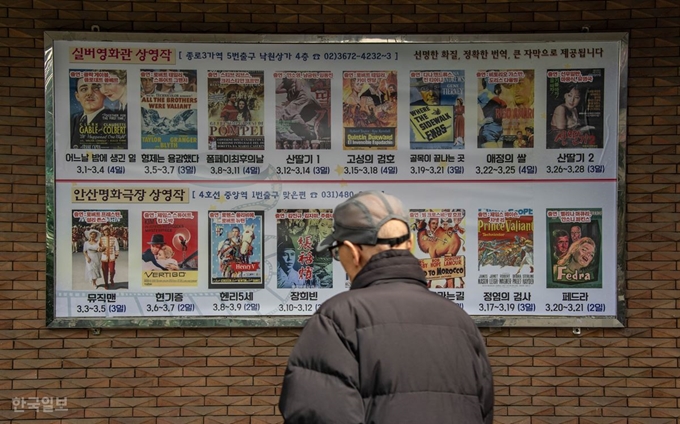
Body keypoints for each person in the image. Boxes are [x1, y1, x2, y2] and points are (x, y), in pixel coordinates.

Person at [279, 191, 494, 423]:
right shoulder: (461, 322)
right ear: (410, 243)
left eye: (335, 252)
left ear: (352, 251)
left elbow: (318, 415)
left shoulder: (337, 319)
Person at [70, 77, 106, 147]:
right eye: (83, 89)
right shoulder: (73, 119)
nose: (89, 93)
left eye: (96, 88)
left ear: (104, 93)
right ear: (77, 96)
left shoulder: (113, 119)